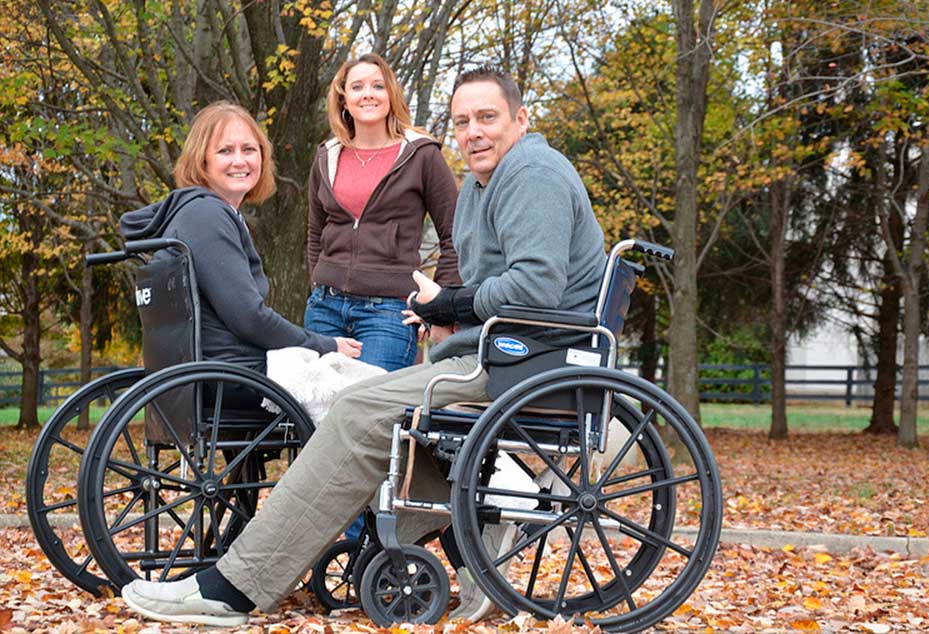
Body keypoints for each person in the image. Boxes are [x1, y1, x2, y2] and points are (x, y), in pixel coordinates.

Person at [119, 66, 607, 628]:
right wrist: (446, 307)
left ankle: (236, 586)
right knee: (377, 408)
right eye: (462, 121)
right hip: (502, 355)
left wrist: (445, 304)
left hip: (529, 363)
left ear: (521, 118)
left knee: (355, 410)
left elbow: (533, 287)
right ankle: (477, 533)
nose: (473, 131)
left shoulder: (532, 174)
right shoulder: (485, 182)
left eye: (487, 118)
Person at [304, 52, 460, 540]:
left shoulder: (422, 155)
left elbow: (456, 236)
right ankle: (324, 541)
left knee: (375, 429)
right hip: (325, 308)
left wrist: (438, 308)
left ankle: (366, 547)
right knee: (316, 426)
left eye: (377, 85)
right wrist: (319, 279)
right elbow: (314, 231)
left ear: (390, 93)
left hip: (389, 311)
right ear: (343, 97)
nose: (367, 94)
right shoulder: (327, 155)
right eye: (357, 86)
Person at [120, 101, 362, 373]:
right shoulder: (206, 216)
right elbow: (249, 318)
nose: (240, 161)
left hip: (220, 368)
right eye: (225, 151)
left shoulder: (206, 213)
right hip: (230, 373)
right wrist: (326, 345)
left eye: (249, 149)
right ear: (202, 161)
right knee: (363, 391)